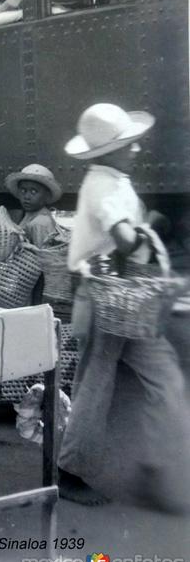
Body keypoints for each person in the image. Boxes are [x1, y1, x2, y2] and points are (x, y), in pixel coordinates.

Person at [58, 103, 190, 511]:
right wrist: (153, 222)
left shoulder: (109, 178)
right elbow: (127, 240)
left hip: (124, 297)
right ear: (105, 151)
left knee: (162, 379)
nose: (135, 149)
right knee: (96, 384)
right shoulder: (105, 185)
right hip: (107, 296)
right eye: (127, 144)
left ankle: (160, 470)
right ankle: (69, 471)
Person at [4, 163, 62, 248]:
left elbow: (43, 255)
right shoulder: (30, 215)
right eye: (23, 191)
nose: (27, 197)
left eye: (33, 192)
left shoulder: (40, 223)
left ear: (47, 195)